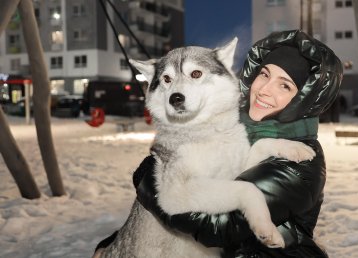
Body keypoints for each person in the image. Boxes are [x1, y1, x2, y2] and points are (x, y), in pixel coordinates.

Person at [95, 30, 343, 257]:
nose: (266, 89)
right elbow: (233, 171)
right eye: (264, 74)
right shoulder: (243, 124)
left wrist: (147, 182)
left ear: (303, 99)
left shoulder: (301, 166)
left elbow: (220, 227)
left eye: (284, 85)